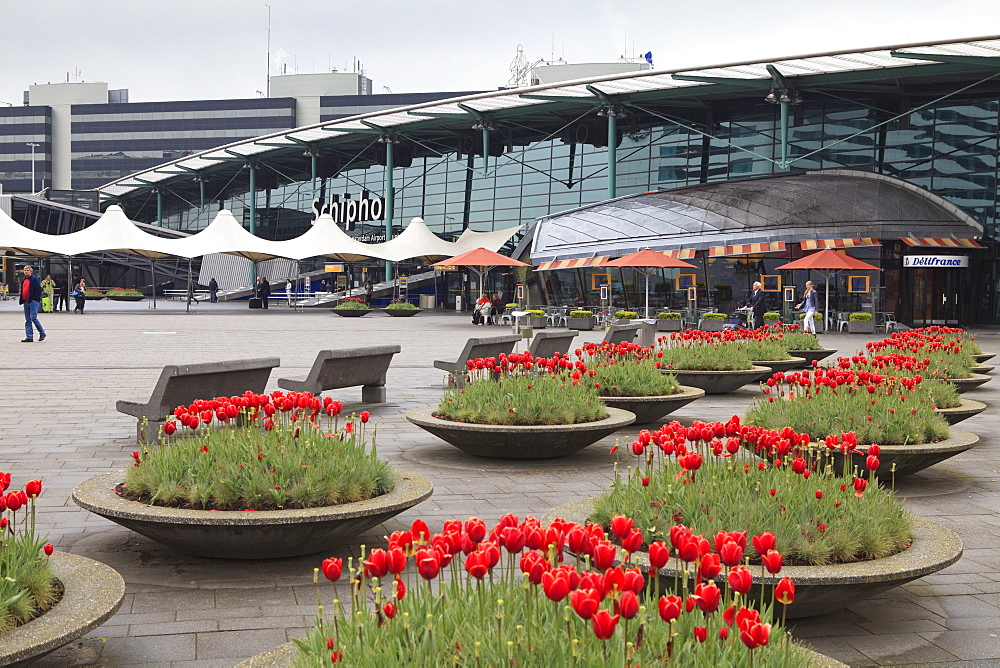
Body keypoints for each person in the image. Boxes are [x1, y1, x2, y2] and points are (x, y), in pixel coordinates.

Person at [19, 265, 46, 342]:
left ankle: (42, 332)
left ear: (31, 271)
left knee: (33, 317)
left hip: (33, 301)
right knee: (28, 319)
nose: (26, 271)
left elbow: (38, 290)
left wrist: (35, 299)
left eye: (27, 270)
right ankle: (29, 336)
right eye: (25, 270)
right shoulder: (24, 280)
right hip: (26, 301)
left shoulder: (34, 279)